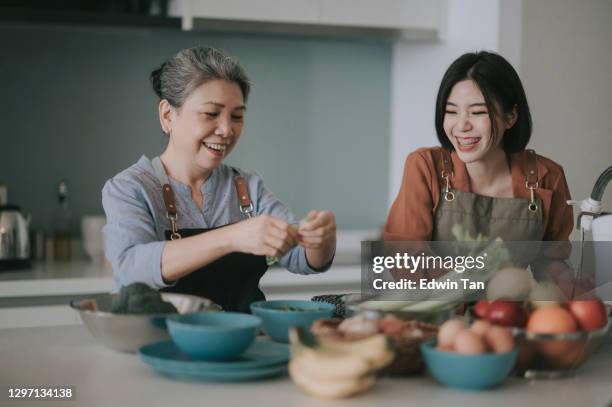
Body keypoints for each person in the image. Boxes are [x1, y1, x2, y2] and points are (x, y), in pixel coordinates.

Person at [102, 46, 336, 312]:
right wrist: (231, 237)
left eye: (237, 116)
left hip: (245, 342)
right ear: (168, 115)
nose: (226, 130)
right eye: (211, 114)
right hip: (164, 341)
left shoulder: (248, 188)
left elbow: (301, 259)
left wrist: (321, 240)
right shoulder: (130, 188)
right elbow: (131, 268)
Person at [384, 51, 576, 290]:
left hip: (507, 317)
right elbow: (406, 258)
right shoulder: (425, 166)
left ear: (511, 116)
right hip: (438, 318)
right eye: (451, 111)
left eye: (478, 112)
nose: (462, 125)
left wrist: (570, 284)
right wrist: (486, 284)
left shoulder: (548, 177)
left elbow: (550, 260)